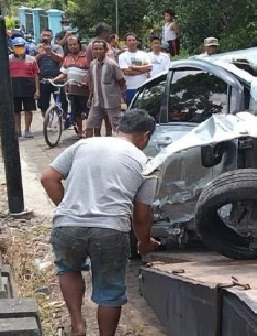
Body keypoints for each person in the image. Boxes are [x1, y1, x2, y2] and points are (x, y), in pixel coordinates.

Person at [40, 108, 160, 336]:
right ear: (145, 136)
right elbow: (141, 216)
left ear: (118, 129)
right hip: (110, 230)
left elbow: (48, 178)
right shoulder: (147, 163)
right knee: (110, 288)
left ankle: (77, 324)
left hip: (67, 225)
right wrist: (144, 242)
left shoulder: (83, 145)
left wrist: (67, 208)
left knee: (68, 268)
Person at [86, 40, 125, 138]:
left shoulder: (112, 64)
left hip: (112, 103)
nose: (98, 51)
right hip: (97, 103)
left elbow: (122, 82)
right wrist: (90, 98)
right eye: (95, 49)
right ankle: (91, 148)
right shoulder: (92, 65)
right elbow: (93, 83)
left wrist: (120, 98)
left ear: (105, 50)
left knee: (117, 128)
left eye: (100, 49)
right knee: (90, 126)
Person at [54, 35, 89, 139]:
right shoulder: (67, 58)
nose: (72, 46)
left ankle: (89, 132)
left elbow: (92, 73)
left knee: (88, 111)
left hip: (86, 90)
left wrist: (87, 83)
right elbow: (64, 74)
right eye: (70, 45)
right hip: (73, 91)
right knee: (77, 112)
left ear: (79, 44)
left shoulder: (86, 57)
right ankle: (80, 132)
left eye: (74, 44)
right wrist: (55, 79)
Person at [9, 36, 39, 138]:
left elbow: (36, 75)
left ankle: (27, 129)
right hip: (14, 88)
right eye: (16, 46)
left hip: (28, 88)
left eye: (21, 46)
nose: (19, 48)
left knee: (28, 110)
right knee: (16, 111)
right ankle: (17, 130)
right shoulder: (8, 59)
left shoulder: (32, 59)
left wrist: (37, 90)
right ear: (12, 48)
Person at [36, 28, 65, 118]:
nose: (46, 37)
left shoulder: (57, 47)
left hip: (57, 79)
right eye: (44, 35)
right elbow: (31, 62)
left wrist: (50, 52)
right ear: (40, 36)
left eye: (48, 35)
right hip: (43, 79)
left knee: (61, 102)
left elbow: (60, 59)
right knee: (43, 105)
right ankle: (46, 122)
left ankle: (62, 121)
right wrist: (40, 54)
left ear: (52, 37)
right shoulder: (36, 47)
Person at [118, 33, 151, 104]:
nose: (131, 42)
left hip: (143, 87)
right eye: (129, 40)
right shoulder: (122, 56)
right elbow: (126, 72)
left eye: (133, 40)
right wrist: (142, 70)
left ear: (137, 41)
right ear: (126, 42)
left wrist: (133, 67)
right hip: (130, 88)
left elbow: (148, 68)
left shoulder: (144, 54)